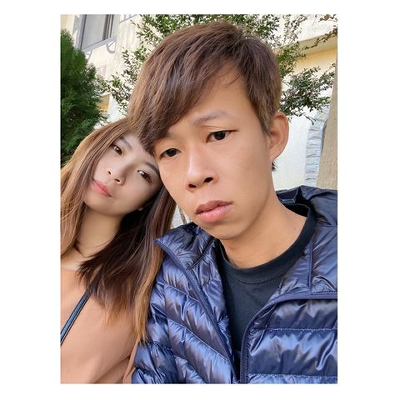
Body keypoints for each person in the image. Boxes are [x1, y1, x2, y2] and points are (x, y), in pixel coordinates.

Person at [128, 21, 337, 384]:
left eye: (218, 134)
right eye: (170, 151)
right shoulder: (175, 279)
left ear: (272, 136)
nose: (194, 174)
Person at [60, 117, 176, 383]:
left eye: (144, 174)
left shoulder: (144, 290)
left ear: (148, 202)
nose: (117, 173)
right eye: (117, 149)